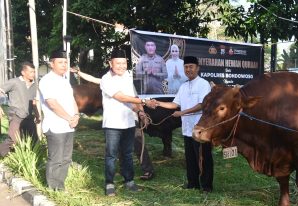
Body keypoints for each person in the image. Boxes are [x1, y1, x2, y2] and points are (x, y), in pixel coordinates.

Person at [70, 68, 155, 180]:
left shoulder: (129, 83)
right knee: (120, 147)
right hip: (115, 121)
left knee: (138, 145)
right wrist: (79, 72)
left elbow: (136, 99)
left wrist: (142, 114)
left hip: (130, 119)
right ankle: (123, 170)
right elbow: (93, 79)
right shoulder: (107, 81)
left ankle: (148, 170)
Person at [100, 48, 157, 196]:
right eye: (118, 63)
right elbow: (122, 97)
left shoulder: (128, 76)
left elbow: (133, 98)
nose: (121, 66)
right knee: (111, 155)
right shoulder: (106, 79)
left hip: (129, 123)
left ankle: (129, 181)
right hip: (113, 124)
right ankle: (109, 183)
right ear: (110, 63)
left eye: (124, 63)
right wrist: (144, 101)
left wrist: (141, 112)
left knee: (127, 153)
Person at [154, 56, 214, 193]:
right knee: (190, 158)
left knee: (204, 158)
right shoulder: (183, 86)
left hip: (201, 130)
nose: (188, 69)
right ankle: (192, 183)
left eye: (191, 66)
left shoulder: (203, 84)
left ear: (197, 68)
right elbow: (175, 104)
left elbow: (202, 104)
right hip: (187, 129)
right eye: (186, 67)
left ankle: (207, 186)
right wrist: (158, 103)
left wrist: (182, 113)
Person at [39, 50, 80, 191]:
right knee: (56, 159)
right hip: (55, 126)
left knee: (66, 159)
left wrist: (76, 116)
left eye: (65, 62)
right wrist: (70, 118)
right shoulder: (46, 81)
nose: (64, 65)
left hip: (68, 126)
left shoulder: (65, 81)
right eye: (60, 62)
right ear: (52, 64)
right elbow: (52, 104)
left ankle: (60, 186)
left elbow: (72, 100)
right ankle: (53, 188)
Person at [0, 62, 40, 157]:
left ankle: (30, 159)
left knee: (34, 140)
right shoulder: (14, 82)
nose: (33, 74)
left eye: (34, 72)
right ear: (23, 72)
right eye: (30, 72)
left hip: (29, 116)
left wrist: (37, 115)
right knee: (13, 140)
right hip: (16, 115)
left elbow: (33, 101)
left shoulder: (34, 85)